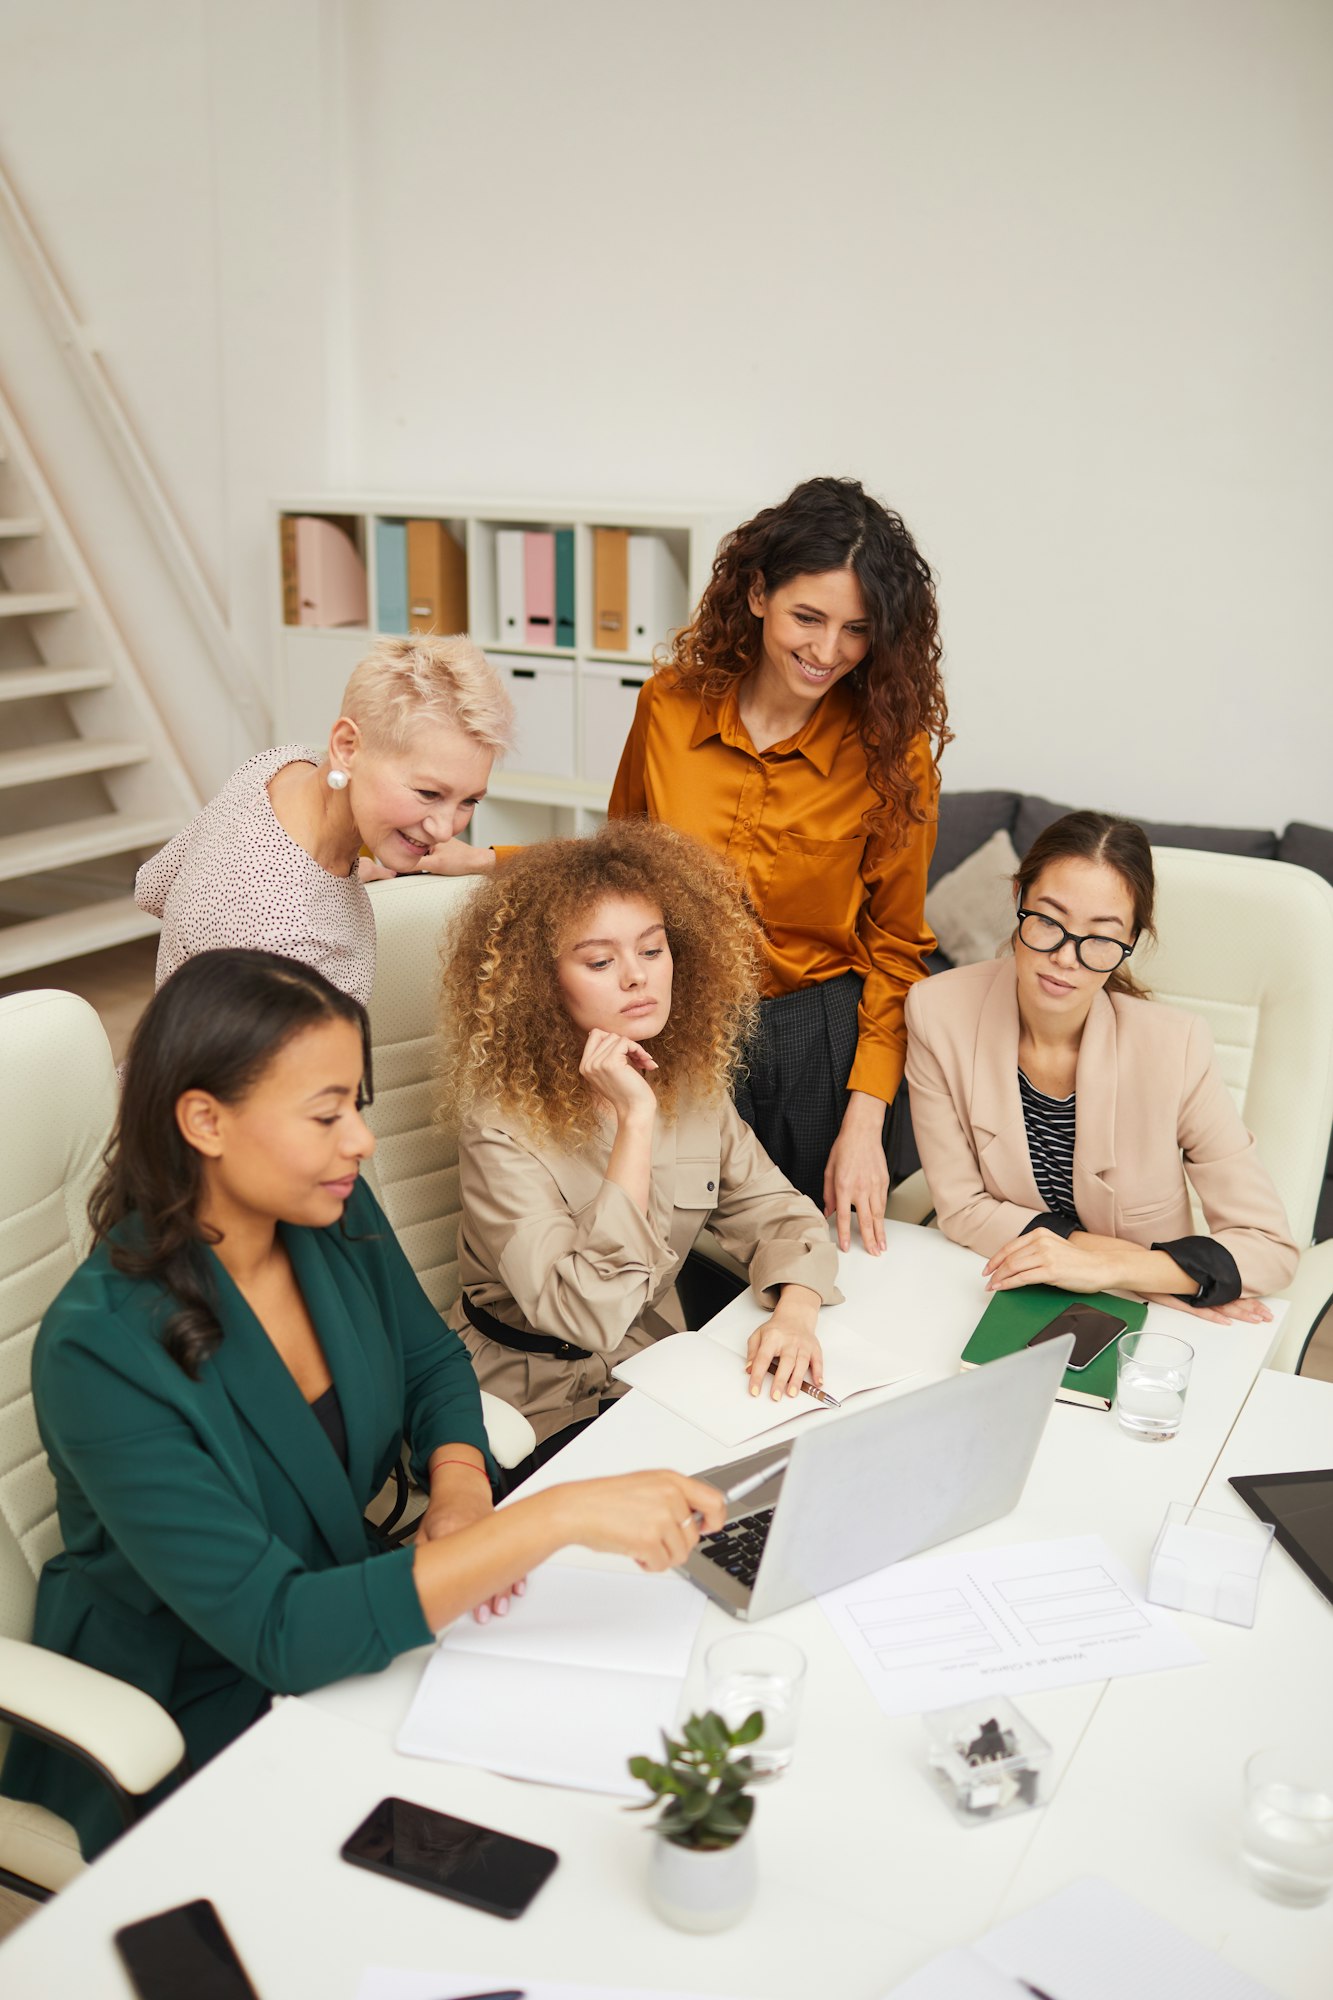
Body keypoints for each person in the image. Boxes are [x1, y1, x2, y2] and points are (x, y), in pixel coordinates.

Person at [0, 952, 724, 1860]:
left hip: (345, 1598)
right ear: (204, 1120)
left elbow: (428, 1363)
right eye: (326, 1113)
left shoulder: (326, 1214)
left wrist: (461, 1488)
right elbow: (277, 1630)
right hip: (190, 1692)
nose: (361, 1141)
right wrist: (557, 1515)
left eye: (357, 1104)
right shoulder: (98, 1350)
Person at [428, 478, 951, 1258]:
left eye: (856, 629)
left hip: (814, 1041)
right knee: (675, 1260)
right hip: (676, 1019)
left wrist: (866, 1121)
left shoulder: (892, 753)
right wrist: (483, 859)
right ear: (755, 594)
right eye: (807, 617)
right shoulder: (669, 706)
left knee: (805, 1258)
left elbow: (896, 948)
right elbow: (619, 868)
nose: (827, 651)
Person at [438, 820, 843, 1472]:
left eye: (652, 951)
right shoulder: (499, 1126)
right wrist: (635, 1120)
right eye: (600, 962)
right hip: (525, 1401)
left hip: (650, 1368)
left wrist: (794, 1313)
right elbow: (585, 1314)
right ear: (541, 983)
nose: (636, 978)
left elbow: (779, 1215)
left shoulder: (690, 1086)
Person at [903, 812, 1299, 1316]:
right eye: (1048, 920)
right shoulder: (937, 1010)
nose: (1067, 957)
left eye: (1101, 937)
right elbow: (962, 1209)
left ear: (1130, 943)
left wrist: (1114, 1271)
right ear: (1018, 902)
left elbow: (1270, 1248)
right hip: (994, 1279)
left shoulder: (1176, 1047)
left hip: (1142, 1305)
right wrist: (1131, 1264)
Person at [134, 635, 514, 1005]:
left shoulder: (279, 765)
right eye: (428, 794)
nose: (445, 829)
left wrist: (336, 881)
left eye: (469, 801)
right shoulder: (285, 934)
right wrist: (299, 897)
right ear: (346, 747)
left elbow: (151, 886)